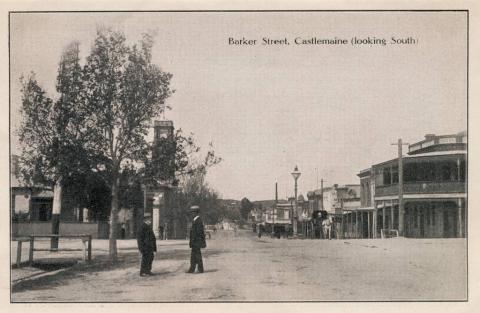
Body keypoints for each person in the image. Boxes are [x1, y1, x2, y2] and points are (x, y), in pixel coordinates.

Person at [187, 205, 206, 274]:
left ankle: (199, 269)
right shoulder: (196, 220)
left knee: (197, 256)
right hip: (195, 242)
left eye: (192, 212)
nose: (191, 214)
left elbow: (198, 232)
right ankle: (193, 269)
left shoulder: (198, 220)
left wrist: (194, 241)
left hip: (196, 242)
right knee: (194, 256)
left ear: (196, 213)